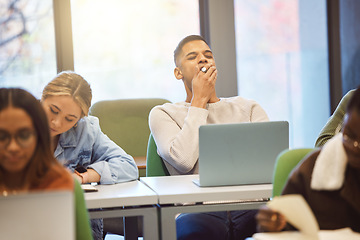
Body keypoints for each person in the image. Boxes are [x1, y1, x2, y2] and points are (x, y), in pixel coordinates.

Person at [149, 35, 269, 240]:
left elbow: (271, 163)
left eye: (208, 55)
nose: (203, 59)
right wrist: (199, 101)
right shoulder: (163, 113)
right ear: (178, 73)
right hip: (197, 210)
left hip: (251, 206)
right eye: (193, 56)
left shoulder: (249, 108)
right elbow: (184, 161)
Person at [41, 71, 139, 240]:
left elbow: (127, 165)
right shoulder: (16, 123)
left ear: (79, 119)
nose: (57, 123)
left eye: (69, 119)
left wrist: (83, 177)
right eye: (53, 110)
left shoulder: (87, 130)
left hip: (74, 226)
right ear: (42, 98)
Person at [256, 86, 360, 233]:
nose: (354, 147)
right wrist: (273, 224)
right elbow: (285, 223)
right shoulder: (313, 169)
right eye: (348, 135)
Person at [0, 88, 93, 240]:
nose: (13, 147)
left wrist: (87, 175)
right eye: (2, 136)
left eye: (23, 135)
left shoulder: (63, 184)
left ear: (39, 135)